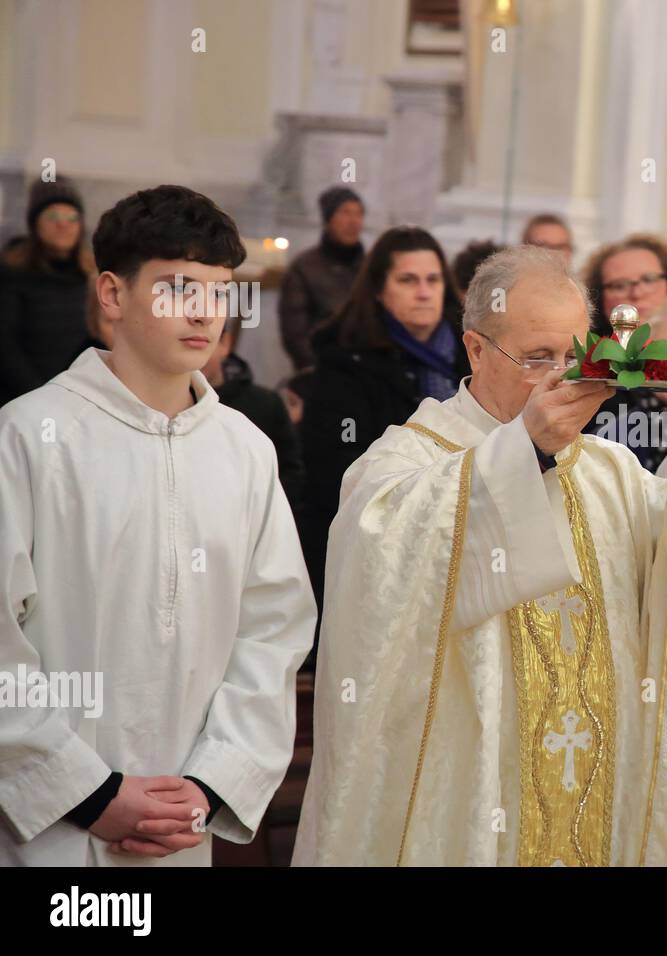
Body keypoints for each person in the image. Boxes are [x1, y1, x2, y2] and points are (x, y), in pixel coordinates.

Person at [293, 244, 667, 866]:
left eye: (576, 356)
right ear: (476, 349)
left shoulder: (612, 472)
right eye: (537, 358)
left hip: (598, 806)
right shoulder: (404, 464)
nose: (562, 377)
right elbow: (377, 589)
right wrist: (526, 454)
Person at [0, 185, 316, 865]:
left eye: (219, 291)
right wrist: (89, 794)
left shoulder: (245, 451)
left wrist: (208, 784)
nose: (204, 311)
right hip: (49, 832)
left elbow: (273, 632)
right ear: (113, 296)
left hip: (179, 831)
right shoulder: (28, 436)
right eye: (178, 289)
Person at [298, 226, 469, 627]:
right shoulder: (345, 363)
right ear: (379, 289)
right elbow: (335, 473)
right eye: (407, 280)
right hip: (379, 550)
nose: (424, 292)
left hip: (465, 541)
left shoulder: (473, 354)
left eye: (433, 279)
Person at [581, 234, 667, 472]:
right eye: (619, 285)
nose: (636, 293)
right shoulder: (590, 368)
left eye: (648, 279)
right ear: (600, 298)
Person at [0, 178, 97, 405]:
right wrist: (41, 394)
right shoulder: (11, 273)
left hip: (78, 398)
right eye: (52, 217)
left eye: (72, 218)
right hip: (22, 398)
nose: (63, 225)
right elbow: (5, 345)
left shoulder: (93, 276)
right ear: (35, 225)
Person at [201, 320, 305, 503]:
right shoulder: (163, 406)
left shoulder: (266, 404)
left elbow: (290, 472)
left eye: (202, 343)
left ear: (224, 342)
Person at [278, 186, 366, 370]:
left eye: (359, 214)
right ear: (328, 219)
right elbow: (295, 334)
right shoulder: (304, 268)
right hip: (321, 371)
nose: (353, 221)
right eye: (345, 213)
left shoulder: (370, 266)